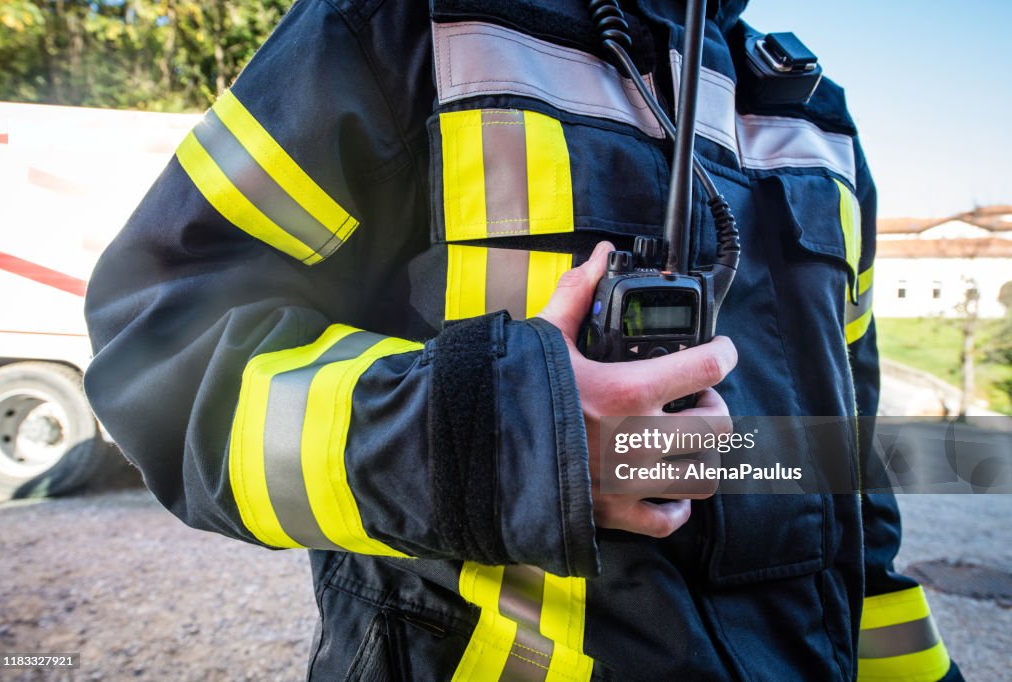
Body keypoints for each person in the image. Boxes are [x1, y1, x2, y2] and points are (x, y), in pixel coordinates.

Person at [83, 0, 962, 679]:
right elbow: (159, 351)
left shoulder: (815, 114)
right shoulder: (399, 25)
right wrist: (500, 442)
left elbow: (852, 497)